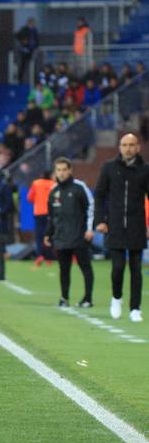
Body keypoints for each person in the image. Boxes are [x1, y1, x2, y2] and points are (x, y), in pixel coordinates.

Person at [94, 133, 149, 322]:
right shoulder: (109, 168)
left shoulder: (145, 170)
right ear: (119, 147)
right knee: (117, 268)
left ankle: (135, 308)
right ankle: (116, 298)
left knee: (136, 269)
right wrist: (99, 221)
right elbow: (99, 195)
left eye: (132, 144)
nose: (128, 148)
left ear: (138, 147)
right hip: (114, 226)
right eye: (124, 144)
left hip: (137, 226)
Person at [43, 157, 94, 308]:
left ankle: (87, 298)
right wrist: (48, 233)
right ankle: (64, 298)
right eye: (59, 170)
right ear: (55, 172)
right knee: (64, 269)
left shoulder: (80, 187)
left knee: (85, 267)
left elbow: (91, 207)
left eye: (64, 170)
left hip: (79, 235)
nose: (62, 173)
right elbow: (52, 216)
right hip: (61, 237)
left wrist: (90, 229)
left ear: (70, 170)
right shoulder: (53, 191)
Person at [27, 171, 56, 266]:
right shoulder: (54, 184)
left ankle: (40, 255)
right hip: (50, 213)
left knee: (39, 236)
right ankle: (49, 257)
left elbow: (29, 198)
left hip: (39, 212)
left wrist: (38, 200)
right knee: (49, 235)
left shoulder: (36, 183)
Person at [15, 18, 39, 83]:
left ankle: (35, 80)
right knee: (23, 65)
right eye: (31, 23)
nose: (33, 24)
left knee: (34, 65)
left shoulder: (34, 30)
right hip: (25, 50)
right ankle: (20, 79)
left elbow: (36, 39)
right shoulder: (24, 29)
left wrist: (36, 46)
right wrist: (23, 40)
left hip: (32, 49)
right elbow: (17, 35)